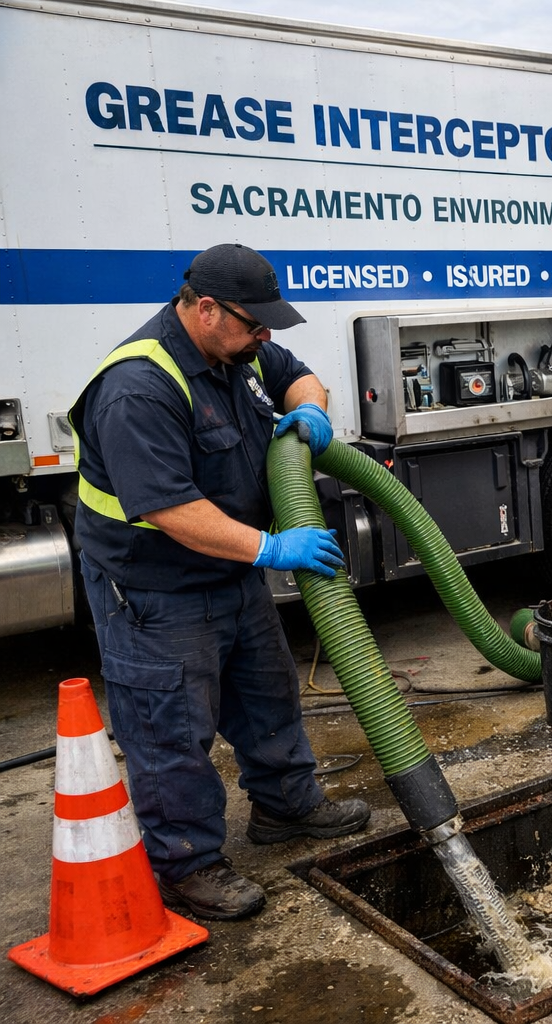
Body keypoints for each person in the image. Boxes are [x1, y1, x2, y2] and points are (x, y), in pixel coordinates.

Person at [70, 243, 372, 921]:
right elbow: (170, 508)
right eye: (253, 323)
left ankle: (286, 806)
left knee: (265, 695)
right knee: (171, 729)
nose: (264, 337)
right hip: (156, 590)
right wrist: (270, 547)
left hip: (232, 572)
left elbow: (302, 376)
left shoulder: (238, 352)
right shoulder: (138, 386)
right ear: (204, 310)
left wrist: (313, 411)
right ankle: (186, 864)